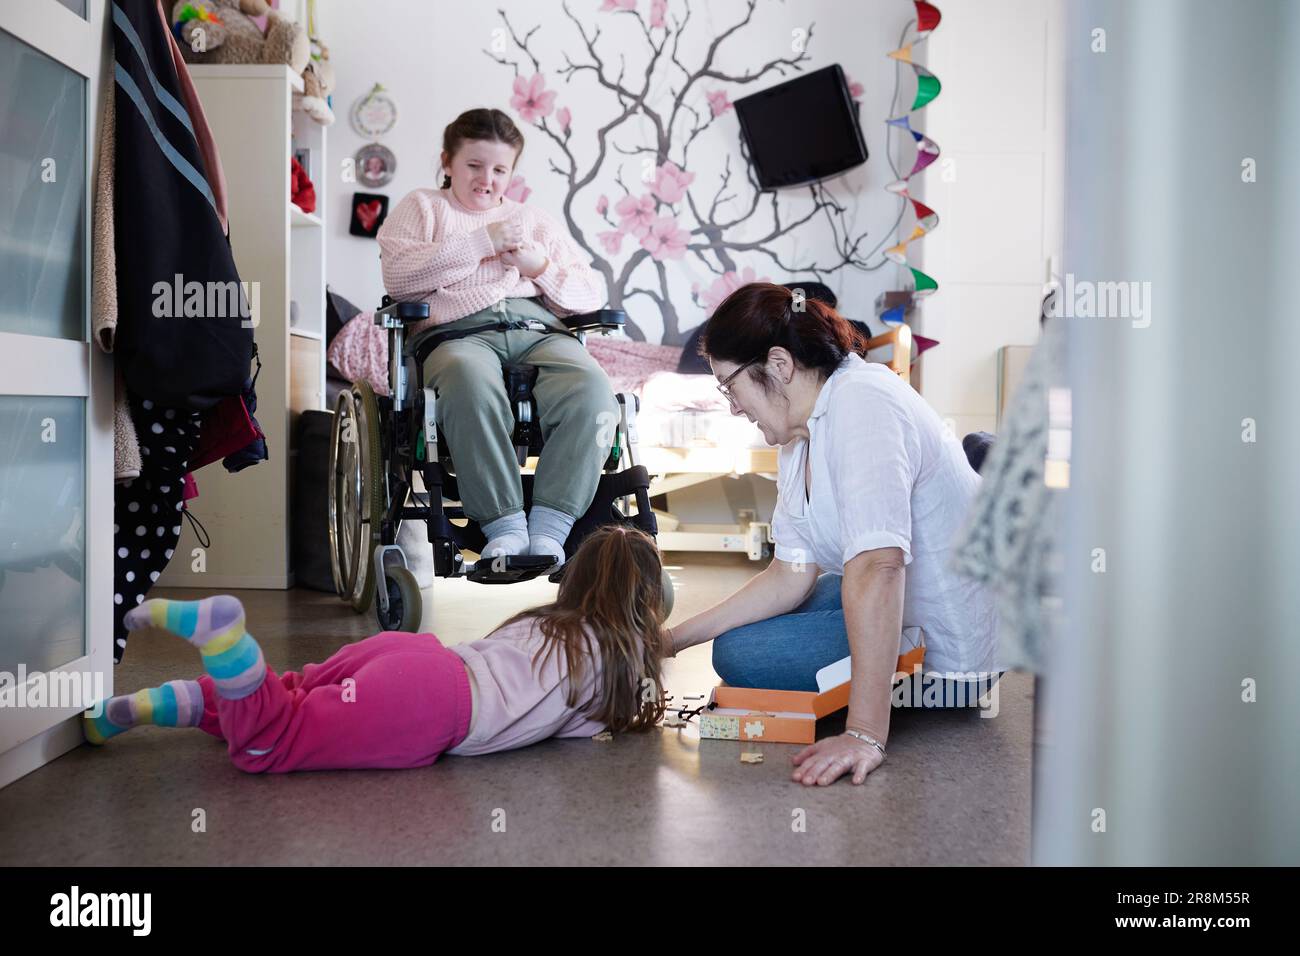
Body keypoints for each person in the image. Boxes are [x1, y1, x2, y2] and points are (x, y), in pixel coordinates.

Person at [666, 283, 1003, 787]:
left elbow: (879, 565)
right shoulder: (798, 433)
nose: (733, 407)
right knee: (748, 631)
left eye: (729, 385)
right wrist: (669, 641)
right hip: (906, 597)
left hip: (949, 658)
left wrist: (865, 733)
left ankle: (876, 712)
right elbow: (789, 576)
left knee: (739, 653)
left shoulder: (862, 402)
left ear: (779, 364)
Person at [83, 526, 669, 772]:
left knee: (292, 695)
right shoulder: (610, 665)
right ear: (647, 605)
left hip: (419, 655)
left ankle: (155, 705)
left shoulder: (544, 621)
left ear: (574, 584)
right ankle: (227, 642)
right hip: (435, 706)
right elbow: (577, 731)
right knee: (268, 743)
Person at [377, 107, 612, 567]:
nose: (487, 180)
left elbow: (590, 292)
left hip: (537, 329)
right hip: (458, 332)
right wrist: (483, 241)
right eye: (474, 165)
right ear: (447, 161)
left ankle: (550, 530)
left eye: (500, 169)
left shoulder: (533, 219)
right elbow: (400, 278)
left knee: (594, 390)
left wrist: (540, 268)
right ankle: (504, 526)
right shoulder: (424, 207)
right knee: (467, 381)